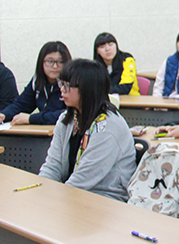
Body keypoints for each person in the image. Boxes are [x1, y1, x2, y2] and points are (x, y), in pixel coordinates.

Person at [38, 59, 135, 201]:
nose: (62, 89)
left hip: (106, 200)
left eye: (67, 85)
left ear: (87, 89)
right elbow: (53, 165)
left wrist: (54, 199)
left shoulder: (107, 126)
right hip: (73, 194)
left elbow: (84, 179)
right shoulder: (67, 118)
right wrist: (41, 190)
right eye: (61, 83)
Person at [0, 41, 72, 125]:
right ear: (41, 62)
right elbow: (21, 105)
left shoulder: (72, 84)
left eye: (60, 62)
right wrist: (3, 115)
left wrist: (31, 118)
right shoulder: (37, 81)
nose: (55, 66)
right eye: (50, 61)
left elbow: (69, 114)